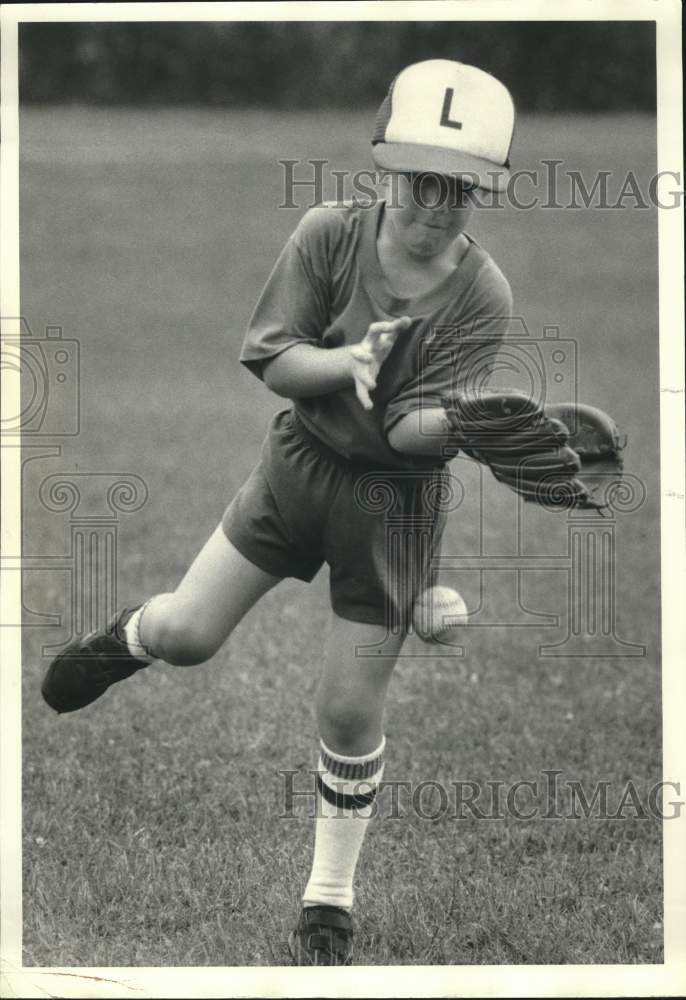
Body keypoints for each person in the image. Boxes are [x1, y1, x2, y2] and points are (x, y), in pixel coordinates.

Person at [41, 59, 516, 965]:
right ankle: (129, 636)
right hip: (298, 468)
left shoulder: (483, 292)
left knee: (347, 708)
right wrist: (349, 364)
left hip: (396, 507)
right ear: (387, 168)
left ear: (482, 192)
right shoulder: (328, 234)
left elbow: (413, 432)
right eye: (421, 182)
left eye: (459, 190)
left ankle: (328, 900)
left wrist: (475, 428)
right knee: (188, 636)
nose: (435, 208)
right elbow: (272, 358)